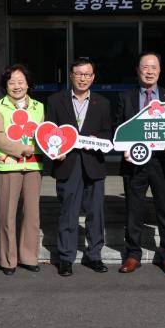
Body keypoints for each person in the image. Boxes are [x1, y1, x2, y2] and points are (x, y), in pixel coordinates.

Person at [115, 52, 165, 274]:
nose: (149, 71)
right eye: (145, 67)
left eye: (154, 67)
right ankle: (133, 255)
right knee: (134, 211)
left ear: (160, 71)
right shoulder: (126, 97)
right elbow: (117, 128)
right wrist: (124, 147)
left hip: (163, 162)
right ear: (137, 70)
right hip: (134, 162)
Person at [47, 58, 111, 277]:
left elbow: (108, 133)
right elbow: (49, 131)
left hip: (94, 163)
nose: (83, 78)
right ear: (71, 76)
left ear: (93, 77)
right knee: (68, 212)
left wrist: (98, 139)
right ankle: (66, 258)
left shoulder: (103, 103)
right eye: (79, 74)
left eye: (87, 74)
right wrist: (55, 150)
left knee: (96, 213)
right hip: (68, 162)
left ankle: (94, 256)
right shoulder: (56, 101)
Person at [0, 64, 44, 276]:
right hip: (8, 165)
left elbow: (45, 134)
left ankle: (29, 257)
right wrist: (22, 149)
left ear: (28, 84)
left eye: (21, 82)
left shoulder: (39, 107)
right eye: (12, 82)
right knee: (7, 214)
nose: (17, 86)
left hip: (33, 166)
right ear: (5, 85)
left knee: (32, 214)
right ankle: (8, 260)